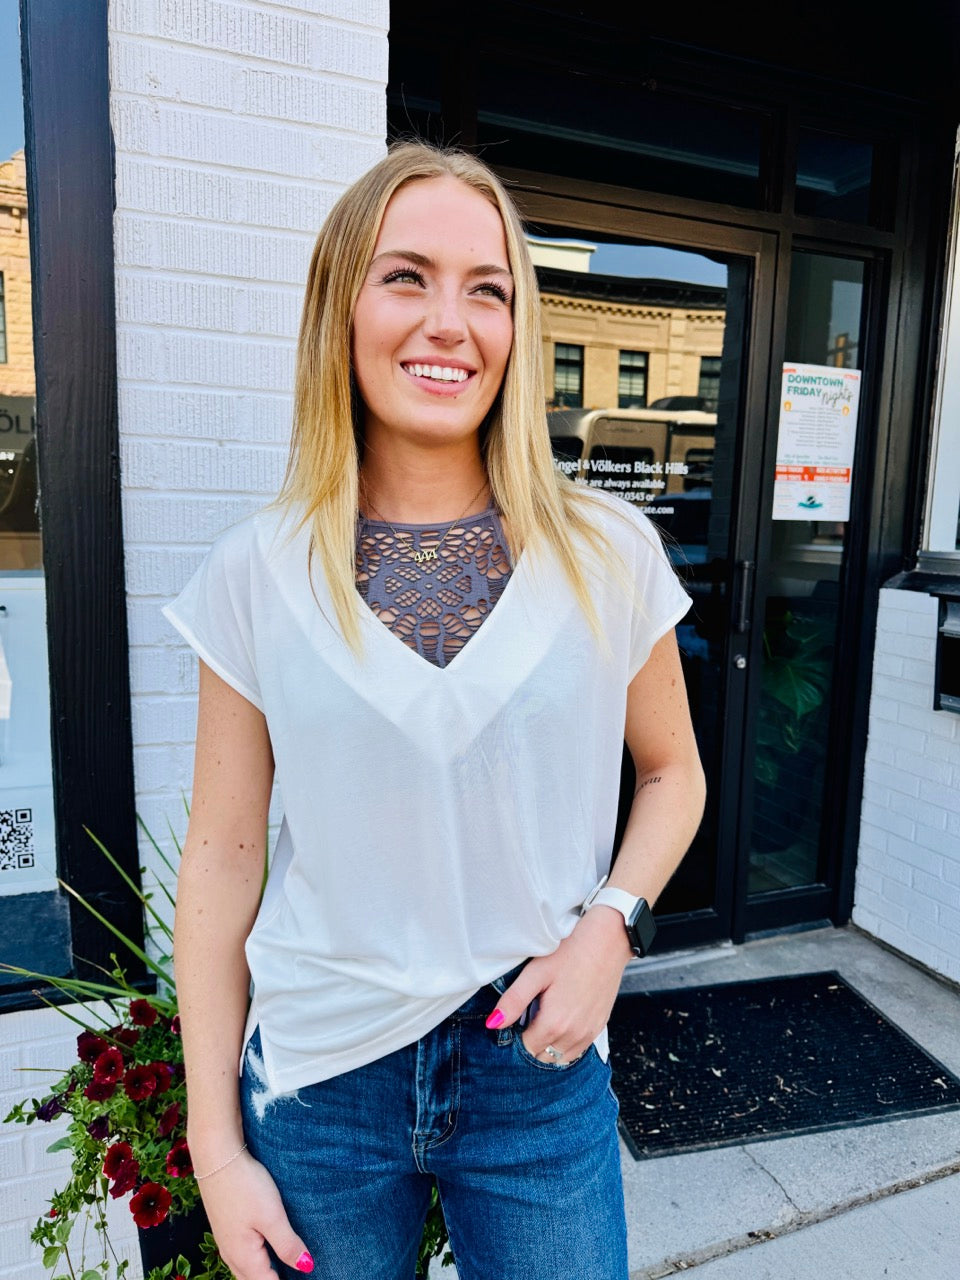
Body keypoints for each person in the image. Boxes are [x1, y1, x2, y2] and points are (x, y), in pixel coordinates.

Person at [165, 141, 706, 1280]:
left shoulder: (609, 552)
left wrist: (612, 925)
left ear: (519, 326)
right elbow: (221, 854)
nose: (449, 322)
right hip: (321, 1081)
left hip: (538, 1066)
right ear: (341, 307)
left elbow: (673, 772)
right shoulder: (256, 571)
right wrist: (215, 1149)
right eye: (406, 276)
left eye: (487, 289)